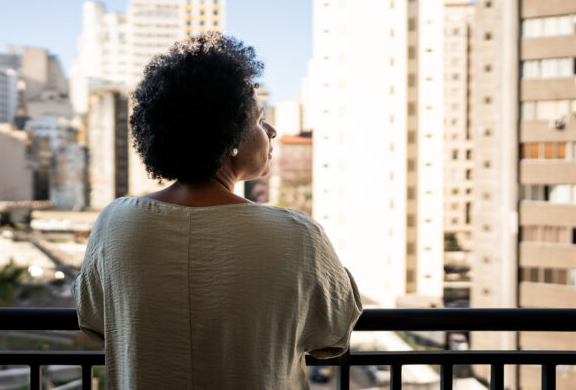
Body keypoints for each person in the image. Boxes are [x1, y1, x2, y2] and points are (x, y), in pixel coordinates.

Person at [72, 32, 362, 389]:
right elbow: (331, 335)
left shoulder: (115, 222)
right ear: (230, 139)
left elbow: (95, 321)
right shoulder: (298, 233)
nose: (271, 130)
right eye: (258, 120)